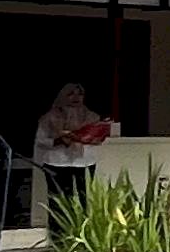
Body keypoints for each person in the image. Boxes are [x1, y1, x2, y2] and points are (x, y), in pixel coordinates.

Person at [31, 80, 115, 213]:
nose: (76, 98)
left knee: (83, 199)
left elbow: (98, 139)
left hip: (84, 163)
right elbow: (41, 141)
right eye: (71, 94)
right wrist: (60, 140)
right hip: (57, 163)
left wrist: (86, 136)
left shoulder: (92, 117)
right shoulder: (49, 117)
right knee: (58, 202)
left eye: (79, 94)